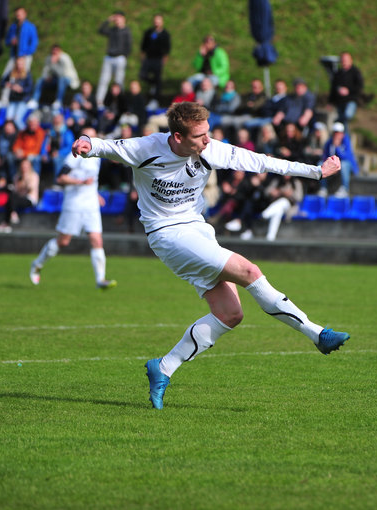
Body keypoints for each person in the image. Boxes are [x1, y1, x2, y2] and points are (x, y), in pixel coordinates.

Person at [71, 101, 349, 410]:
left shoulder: (211, 149)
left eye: (208, 133)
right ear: (177, 137)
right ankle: (317, 333)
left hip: (198, 231)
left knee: (230, 313)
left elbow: (262, 162)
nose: (207, 141)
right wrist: (87, 143)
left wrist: (317, 172)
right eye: (199, 136)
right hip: (168, 234)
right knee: (249, 271)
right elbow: (104, 146)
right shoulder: (146, 147)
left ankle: (163, 367)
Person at [30, 127, 116, 289]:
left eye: (92, 136)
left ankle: (100, 280)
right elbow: (60, 178)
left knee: (97, 239)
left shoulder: (96, 156)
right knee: (63, 241)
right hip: (74, 203)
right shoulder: (74, 156)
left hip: (91, 204)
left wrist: (95, 194)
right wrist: (80, 183)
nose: (90, 139)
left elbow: (93, 180)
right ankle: (37, 263)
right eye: (87, 136)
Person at [95, 11, 132, 106]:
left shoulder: (126, 30)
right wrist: (108, 20)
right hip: (109, 58)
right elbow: (101, 30)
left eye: (119, 17)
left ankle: (120, 102)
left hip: (120, 58)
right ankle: (99, 102)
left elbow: (129, 46)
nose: (117, 20)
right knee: (104, 80)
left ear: (124, 19)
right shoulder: (112, 30)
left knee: (119, 81)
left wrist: (124, 56)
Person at [29, 44, 80, 110]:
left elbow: (61, 74)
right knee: (40, 80)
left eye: (56, 51)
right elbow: (45, 71)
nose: (54, 53)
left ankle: (58, 101)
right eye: (53, 51)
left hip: (68, 79)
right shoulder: (49, 58)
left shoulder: (64, 58)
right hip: (55, 79)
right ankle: (34, 100)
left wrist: (53, 64)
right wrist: (47, 77)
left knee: (61, 80)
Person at [0, 158, 39, 233]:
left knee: (11, 200)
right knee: (10, 197)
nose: (24, 168)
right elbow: (16, 191)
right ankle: (12, 214)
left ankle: (6, 222)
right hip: (18, 199)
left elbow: (31, 188)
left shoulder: (34, 176)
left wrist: (25, 179)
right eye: (23, 166)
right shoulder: (17, 176)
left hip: (29, 199)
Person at [318, 122, 359, 198]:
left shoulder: (346, 141)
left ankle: (345, 189)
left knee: (344, 164)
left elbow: (347, 157)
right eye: (335, 132)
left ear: (342, 133)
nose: (336, 135)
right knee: (320, 163)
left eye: (338, 132)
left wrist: (337, 147)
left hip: (347, 166)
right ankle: (323, 188)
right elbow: (325, 156)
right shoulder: (329, 142)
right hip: (335, 166)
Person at [139, 14, 171, 106]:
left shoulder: (165, 34)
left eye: (159, 20)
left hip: (158, 59)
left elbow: (167, 48)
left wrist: (164, 59)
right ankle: (152, 83)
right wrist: (143, 57)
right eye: (155, 20)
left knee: (158, 78)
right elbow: (143, 46)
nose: (157, 22)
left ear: (162, 22)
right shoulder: (149, 32)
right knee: (142, 75)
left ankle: (155, 99)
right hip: (148, 58)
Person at [328, 52, 364, 130]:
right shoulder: (338, 74)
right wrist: (330, 102)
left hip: (351, 100)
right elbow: (333, 88)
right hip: (340, 101)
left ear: (351, 60)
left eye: (346, 60)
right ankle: (345, 138)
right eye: (343, 60)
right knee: (342, 123)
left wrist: (348, 90)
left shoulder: (355, 72)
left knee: (346, 116)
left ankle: (344, 135)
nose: (344, 61)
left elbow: (359, 86)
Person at [3, 6, 39, 77]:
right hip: (14, 56)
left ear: (25, 14)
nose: (18, 16)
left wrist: (26, 53)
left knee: (23, 76)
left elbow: (34, 42)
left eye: (20, 14)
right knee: (8, 75)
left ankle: (22, 87)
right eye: (17, 14)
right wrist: (11, 41)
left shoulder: (30, 27)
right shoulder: (13, 27)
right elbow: (7, 40)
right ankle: (6, 87)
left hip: (25, 56)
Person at [1, 56, 33, 130]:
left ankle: (25, 133)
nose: (19, 66)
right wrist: (8, 85)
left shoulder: (27, 74)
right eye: (18, 64)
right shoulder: (11, 73)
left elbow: (30, 88)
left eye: (21, 64)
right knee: (8, 120)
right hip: (13, 100)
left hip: (22, 100)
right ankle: (12, 138)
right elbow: (2, 83)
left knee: (17, 120)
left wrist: (21, 89)